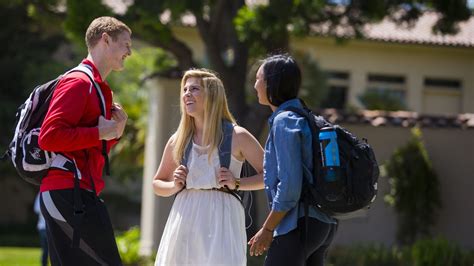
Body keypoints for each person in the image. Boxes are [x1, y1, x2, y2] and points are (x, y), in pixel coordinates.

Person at [37, 16, 131, 266]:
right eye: (126, 45)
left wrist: (114, 133)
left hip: (79, 192)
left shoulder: (98, 87)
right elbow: (49, 137)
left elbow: (88, 148)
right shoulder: (79, 82)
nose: (129, 52)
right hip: (67, 191)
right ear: (106, 39)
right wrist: (101, 133)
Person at [153, 68, 264, 265]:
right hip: (185, 216)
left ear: (212, 95)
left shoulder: (238, 136)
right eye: (185, 89)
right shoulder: (178, 140)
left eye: (194, 89)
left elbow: (271, 176)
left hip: (222, 219)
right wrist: (174, 185)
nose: (186, 93)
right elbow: (157, 183)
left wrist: (237, 182)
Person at [248, 54, 338, 266]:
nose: (254, 85)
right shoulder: (305, 116)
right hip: (323, 223)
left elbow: (289, 187)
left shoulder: (284, 121)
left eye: (258, 79)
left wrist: (268, 228)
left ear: (272, 83)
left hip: (298, 224)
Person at [34, 193, 48, 266]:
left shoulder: (40, 194)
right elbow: (36, 209)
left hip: (43, 227)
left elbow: (36, 209)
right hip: (43, 227)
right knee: (47, 249)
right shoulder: (41, 194)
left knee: (46, 249)